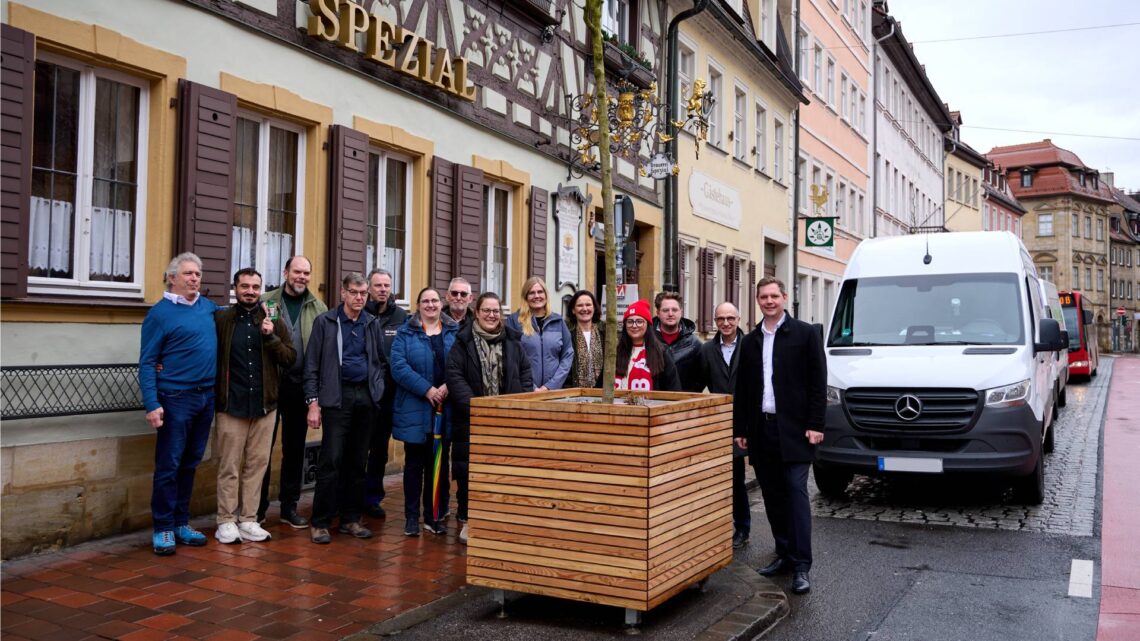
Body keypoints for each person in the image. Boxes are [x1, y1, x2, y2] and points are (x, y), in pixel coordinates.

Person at [733, 277, 826, 595]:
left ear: (784, 298)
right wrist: (741, 429)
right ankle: (784, 554)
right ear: (757, 301)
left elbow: (818, 382)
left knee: (796, 493)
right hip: (762, 430)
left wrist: (816, 424)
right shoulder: (751, 339)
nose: (769, 301)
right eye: (763, 297)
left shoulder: (804, 333)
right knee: (772, 495)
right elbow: (743, 388)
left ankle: (802, 565)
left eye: (774, 295)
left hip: (797, 430)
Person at [139, 253, 219, 555]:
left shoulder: (208, 308)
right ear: (172, 278)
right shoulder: (159, 314)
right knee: (169, 465)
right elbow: (147, 361)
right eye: (188, 273)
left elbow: (233, 321)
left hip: (205, 396)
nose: (195, 278)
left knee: (190, 463)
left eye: (198, 273)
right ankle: (162, 528)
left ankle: (181, 523)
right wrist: (152, 403)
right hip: (175, 399)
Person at [213, 268, 296, 544]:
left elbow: (289, 358)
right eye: (244, 286)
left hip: (265, 406)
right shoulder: (222, 319)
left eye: (255, 286)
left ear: (261, 289)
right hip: (231, 405)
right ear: (235, 288)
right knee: (229, 466)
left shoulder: (273, 318)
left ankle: (248, 519)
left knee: (257, 465)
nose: (250, 291)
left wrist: (270, 337)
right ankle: (226, 519)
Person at [303, 273, 388, 544]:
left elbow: (379, 361)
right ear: (343, 293)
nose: (359, 298)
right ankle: (320, 522)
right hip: (336, 399)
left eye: (364, 293)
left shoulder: (371, 323)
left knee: (357, 462)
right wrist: (313, 403)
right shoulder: (326, 322)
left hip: (365, 397)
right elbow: (312, 366)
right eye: (354, 292)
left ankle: (351, 518)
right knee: (331, 461)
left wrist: (377, 389)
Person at [447, 292, 533, 543]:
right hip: (472, 420)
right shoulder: (462, 342)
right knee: (468, 474)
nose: (491, 315)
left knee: (503, 472)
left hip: (508, 422)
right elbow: (454, 376)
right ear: (477, 311)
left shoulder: (513, 342)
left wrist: (520, 402)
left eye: (496, 311)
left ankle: (499, 519)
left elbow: (525, 374)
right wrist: (478, 407)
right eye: (487, 310)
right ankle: (467, 519)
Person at [258, 256, 327, 528]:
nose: (302, 277)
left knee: (294, 450)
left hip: (301, 386)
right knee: (261, 449)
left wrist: (316, 397)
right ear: (285, 272)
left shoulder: (318, 307)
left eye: (306, 273)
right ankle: (258, 508)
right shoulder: (266, 301)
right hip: (270, 386)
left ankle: (289, 507)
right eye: (297, 271)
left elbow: (322, 352)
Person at [391, 287, 459, 537]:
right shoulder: (405, 333)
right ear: (418, 305)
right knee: (414, 466)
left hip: (445, 408)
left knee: (438, 465)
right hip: (415, 408)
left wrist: (447, 387)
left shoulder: (454, 332)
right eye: (425, 301)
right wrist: (427, 390)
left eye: (434, 301)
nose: (430, 305)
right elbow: (398, 367)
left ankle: (433, 516)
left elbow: (462, 364)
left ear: (441, 304)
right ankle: (411, 517)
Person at [695, 301, 750, 550]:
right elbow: (700, 384)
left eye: (730, 318)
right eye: (720, 319)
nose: (726, 323)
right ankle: (735, 527)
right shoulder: (707, 350)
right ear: (715, 321)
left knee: (753, 477)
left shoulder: (751, 346)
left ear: (739, 320)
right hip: (720, 422)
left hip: (749, 419)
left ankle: (744, 525)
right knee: (730, 475)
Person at [363, 268, 408, 518]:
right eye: (378, 285)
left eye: (386, 285)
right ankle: (350, 495)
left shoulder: (401, 317)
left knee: (379, 449)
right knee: (357, 448)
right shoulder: (361, 313)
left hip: (388, 395)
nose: (382, 289)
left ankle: (372, 497)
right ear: (369, 288)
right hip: (361, 394)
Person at [506, 277, 574, 391]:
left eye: (540, 292)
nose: (536, 296)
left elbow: (567, 355)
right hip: (524, 391)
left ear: (546, 295)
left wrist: (550, 386)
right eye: (531, 293)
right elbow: (511, 358)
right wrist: (531, 387)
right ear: (525, 297)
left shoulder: (558, 321)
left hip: (553, 391)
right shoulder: (514, 321)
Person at [615, 300, 681, 392]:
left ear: (648, 325)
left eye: (639, 321)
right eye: (630, 322)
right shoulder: (615, 352)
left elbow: (673, 390)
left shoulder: (661, 353)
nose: (634, 325)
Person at [653, 292, 703, 392]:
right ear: (658, 313)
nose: (670, 314)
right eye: (665, 310)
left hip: (684, 403)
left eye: (674, 310)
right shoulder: (648, 341)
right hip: (654, 402)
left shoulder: (694, 344)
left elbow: (701, 378)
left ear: (681, 312)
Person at [565, 290, 605, 388]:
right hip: (574, 391)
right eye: (580, 305)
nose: (584, 308)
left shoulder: (604, 331)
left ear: (594, 308)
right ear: (573, 310)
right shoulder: (566, 332)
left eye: (588, 305)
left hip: (601, 392)